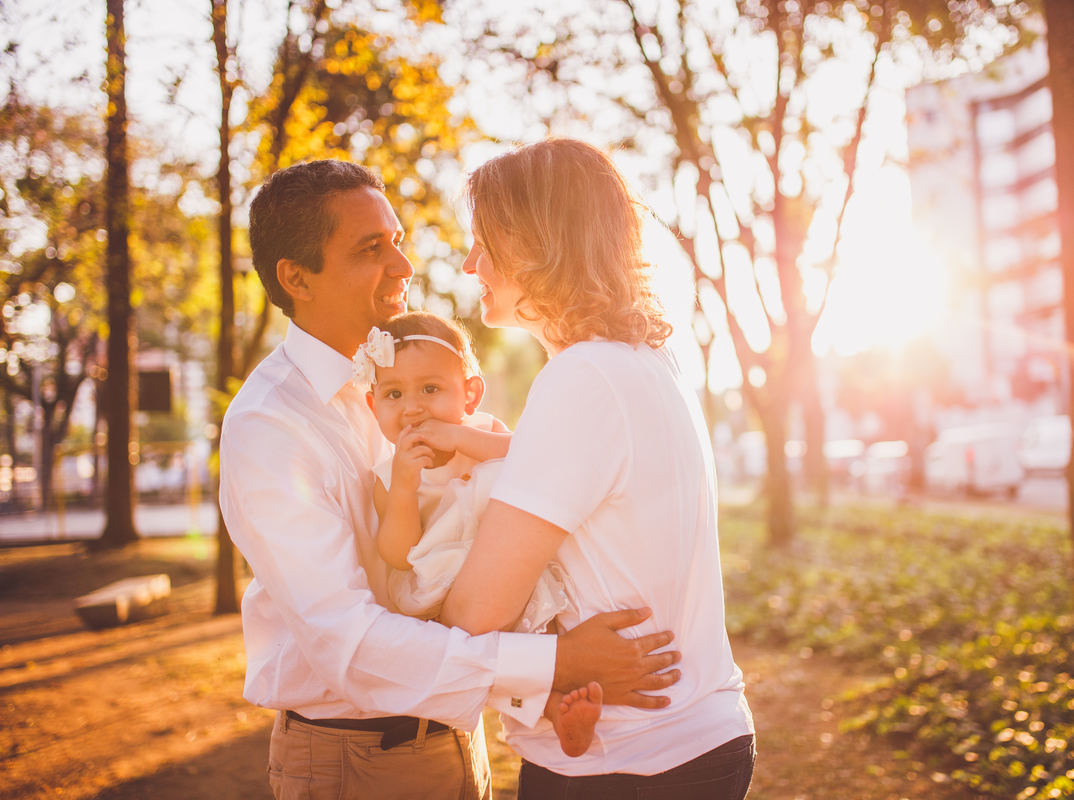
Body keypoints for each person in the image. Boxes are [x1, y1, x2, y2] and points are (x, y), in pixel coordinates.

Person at [220, 159, 682, 800]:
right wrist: (555, 664)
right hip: (355, 761)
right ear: (296, 278)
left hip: (459, 738)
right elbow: (345, 641)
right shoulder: (269, 427)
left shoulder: (415, 375)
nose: (404, 268)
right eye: (370, 249)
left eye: (398, 242)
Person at [440, 139, 756, 798]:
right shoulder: (645, 361)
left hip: (626, 762)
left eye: (484, 243)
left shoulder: (582, 376)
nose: (471, 265)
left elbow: (473, 609)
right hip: (693, 741)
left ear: (537, 242)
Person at [356, 310, 601, 757]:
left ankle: (562, 691)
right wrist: (406, 489)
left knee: (533, 636)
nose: (413, 407)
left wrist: (458, 439)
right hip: (441, 584)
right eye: (394, 393)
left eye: (430, 389)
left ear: (470, 394)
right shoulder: (388, 477)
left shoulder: (485, 434)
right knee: (479, 654)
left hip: (504, 559)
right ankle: (549, 707)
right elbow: (396, 552)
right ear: (375, 407)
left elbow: (529, 458)